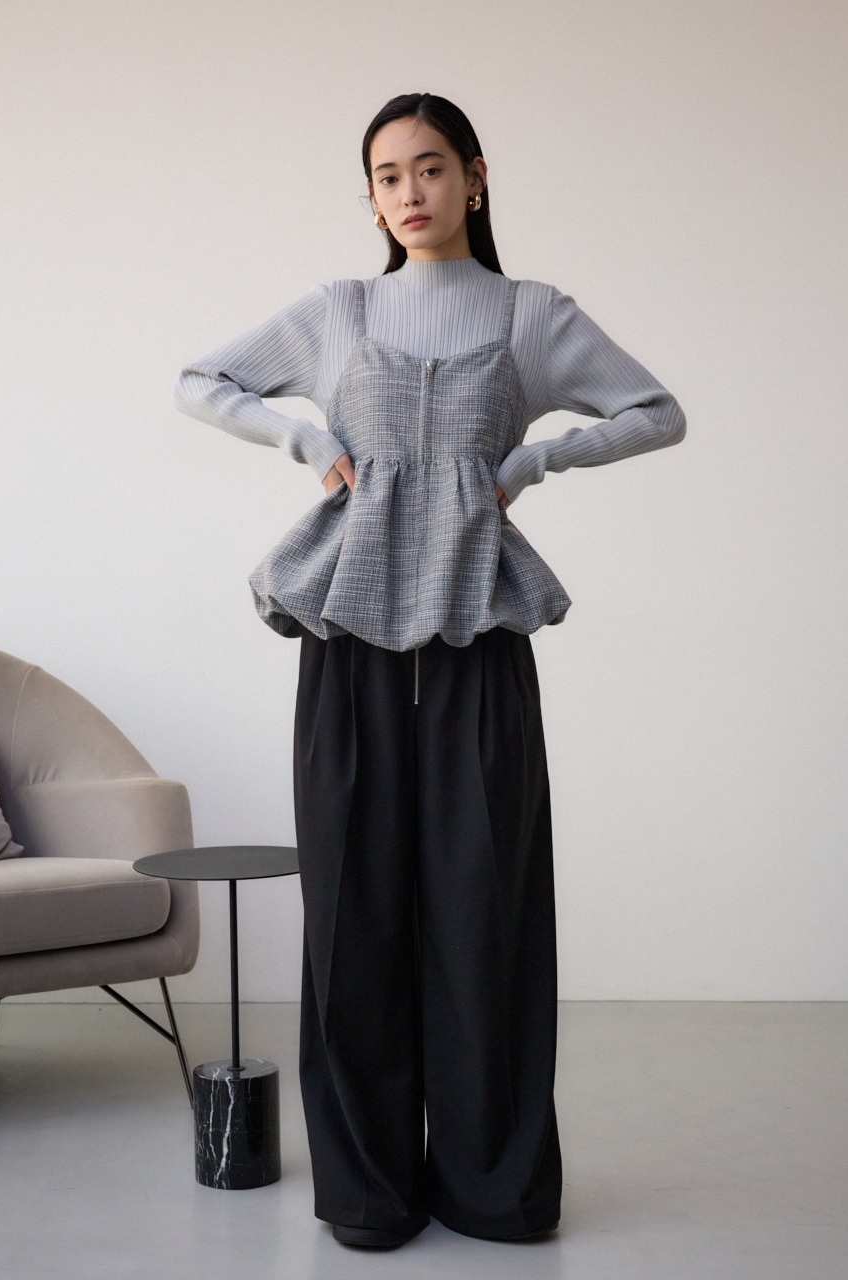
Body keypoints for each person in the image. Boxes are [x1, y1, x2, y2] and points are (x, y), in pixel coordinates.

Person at [173, 91, 687, 1249]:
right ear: (370, 198)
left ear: (475, 176)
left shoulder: (530, 314)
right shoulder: (339, 311)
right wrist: (306, 438)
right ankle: (368, 1189)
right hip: (346, 641)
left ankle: (492, 1184)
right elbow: (201, 379)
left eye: (431, 167)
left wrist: (537, 462)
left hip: (478, 639)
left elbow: (657, 411)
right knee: (352, 913)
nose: (410, 191)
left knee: (484, 908)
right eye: (388, 174)